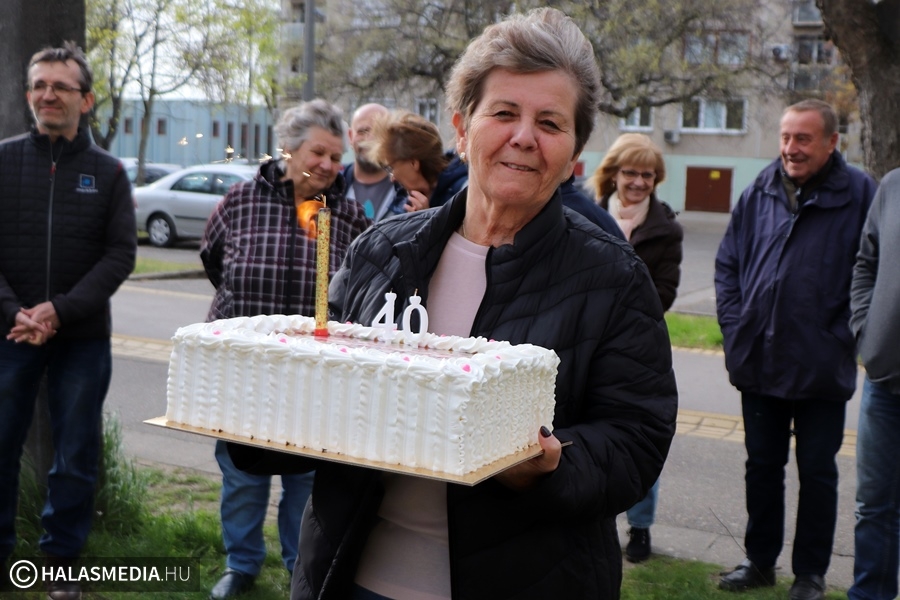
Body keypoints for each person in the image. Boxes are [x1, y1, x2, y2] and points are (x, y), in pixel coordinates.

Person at [228, 8, 678, 600]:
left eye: (549, 121)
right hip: (350, 577)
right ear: (462, 129)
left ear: (574, 150)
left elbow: (636, 440)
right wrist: (255, 406)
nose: (523, 136)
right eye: (504, 113)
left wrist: (552, 467)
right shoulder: (381, 252)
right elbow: (323, 396)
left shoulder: (612, 276)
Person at [200, 99, 370, 599]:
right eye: (318, 151)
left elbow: (358, 292)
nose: (328, 165)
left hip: (315, 376)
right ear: (289, 149)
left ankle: (302, 565)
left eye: (336, 157)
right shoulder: (239, 201)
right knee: (241, 474)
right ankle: (242, 563)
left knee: (307, 481)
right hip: (243, 370)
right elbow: (214, 261)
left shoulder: (350, 215)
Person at [715, 99, 876, 600]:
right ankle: (759, 562)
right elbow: (728, 265)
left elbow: (868, 273)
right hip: (758, 359)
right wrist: (737, 325)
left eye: (803, 139)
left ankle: (810, 574)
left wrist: (844, 335)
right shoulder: (759, 189)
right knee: (761, 467)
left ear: (832, 142)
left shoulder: (860, 194)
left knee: (818, 474)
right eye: (786, 137)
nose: (790, 148)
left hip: (821, 365)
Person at [0, 42, 137, 599]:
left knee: (75, 452)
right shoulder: (3, 159)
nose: (47, 95)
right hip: (9, 333)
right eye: (39, 85)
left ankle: (59, 563)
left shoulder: (108, 173)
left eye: (60, 86)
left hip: (81, 338)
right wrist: (16, 312)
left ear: (87, 100)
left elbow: (120, 255)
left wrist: (60, 310)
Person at [588, 132, 683, 562]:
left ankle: (640, 527)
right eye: (630, 172)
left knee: (639, 434)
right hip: (583, 342)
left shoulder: (665, 228)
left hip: (637, 348)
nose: (639, 182)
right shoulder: (585, 215)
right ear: (613, 175)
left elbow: (663, 292)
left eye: (647, 175)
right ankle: (592, 514)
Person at [848, 168, 900, 600]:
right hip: (885, 382)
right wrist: (867, 330)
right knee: (874, 507)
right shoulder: (894, 186)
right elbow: (867, 262)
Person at [366, 110, 468, 210]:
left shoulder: (464, 193)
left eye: (391, 168)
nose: (392, 178)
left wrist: (426, 220)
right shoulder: (405, 201)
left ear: (413, 163)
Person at [343, 103, 407, 222]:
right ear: (350, 136)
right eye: (362, 131)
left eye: (378, 132)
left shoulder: (408, 190)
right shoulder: (333, 188)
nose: (369, 140)